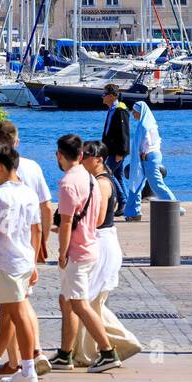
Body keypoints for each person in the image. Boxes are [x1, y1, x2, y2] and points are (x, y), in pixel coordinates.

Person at [0, 120, 53, 376]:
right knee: (10, 313)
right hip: (24, 257)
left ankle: (28, 366)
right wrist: (37, 256)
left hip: (5, 261)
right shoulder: (29, 190)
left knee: (15, 313)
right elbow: (39, 225)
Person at [50, 133, 122, 374]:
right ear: (80, 155)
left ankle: (107, 351)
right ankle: (64, 354)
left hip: (78, 251)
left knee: (79, 303)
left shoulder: (68, 183)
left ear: (59, 155)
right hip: (91, 245)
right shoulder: (90, 179)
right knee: (68, 300)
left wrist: (62, 252)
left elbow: (68, 222)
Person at [72, 141, 143, 367]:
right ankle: (85, 351)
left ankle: (120, 343)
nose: (82, 159)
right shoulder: (102, 180)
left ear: (99, 159)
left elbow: (100, 218)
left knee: (88, 300)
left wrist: (74, 224)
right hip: (104, 241)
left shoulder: (102, 183)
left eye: (86, 156)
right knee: (92, 301)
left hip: (101, 243)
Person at [123, 101, 181, 222]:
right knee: (138, 183)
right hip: (153, 155)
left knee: (153, 184)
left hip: (148, 157)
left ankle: (174, 207)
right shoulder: (151, 123)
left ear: (140, 112)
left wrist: (144, 152)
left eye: (135, 111)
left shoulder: (144, 125)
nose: (133, 114)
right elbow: (158, 140)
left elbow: (147, 141)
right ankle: (134, 212)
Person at [101, 83, 130, 195]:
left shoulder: (120, 110)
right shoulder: (112, 110)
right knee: (118, 176)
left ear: (112, 96)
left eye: (104, 94)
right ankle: (126, 203)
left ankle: (122, 200)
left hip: (117, 151)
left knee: (106, 173)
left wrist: (121, 152)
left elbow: (124, 133)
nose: (102, 96)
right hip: (111, 150)